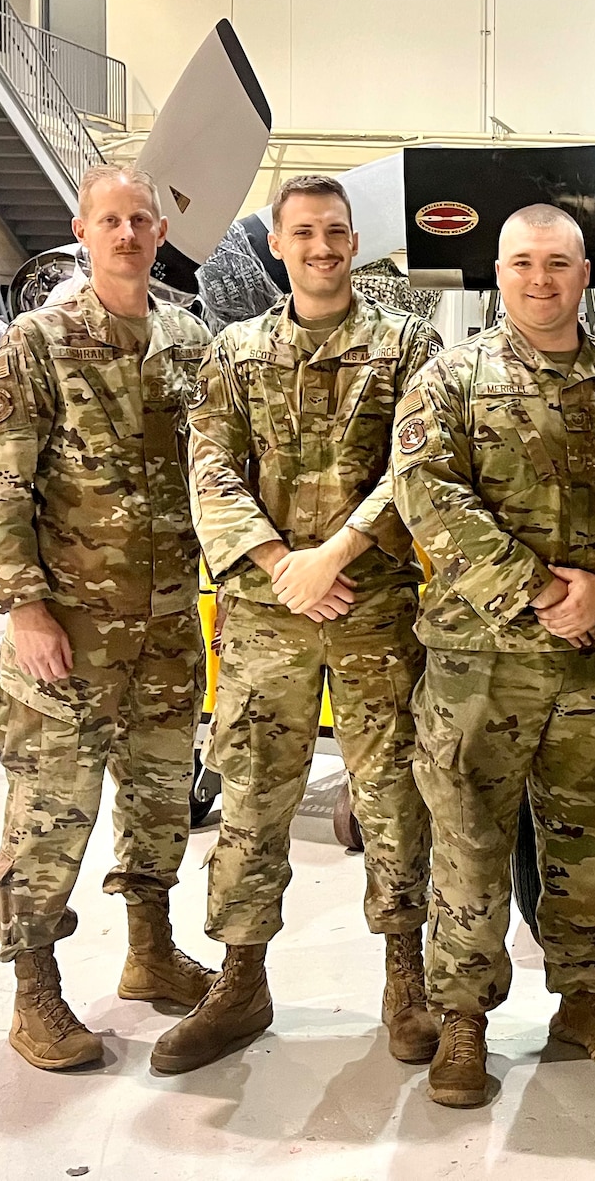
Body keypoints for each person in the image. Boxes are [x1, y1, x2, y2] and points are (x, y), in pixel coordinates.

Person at [151, 174, 442, 1074]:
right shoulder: (234, 353)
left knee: (395, 796)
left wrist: (334, 558)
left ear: (355, 242)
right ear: (277, 245)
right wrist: (284, 567)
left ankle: (405, 978)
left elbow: (419, 467)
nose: (322, 247)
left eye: (337, 231)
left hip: (373, 610)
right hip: (266, 617)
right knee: (251, 796)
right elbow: (211, 469)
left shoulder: (406, 345)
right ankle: (241, 980)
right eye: (305, 232)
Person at [391, 204, 595, 1108]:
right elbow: (428, 497)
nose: (541, 279)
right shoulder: (451, 379)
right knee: (467, 839)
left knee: (593, 834)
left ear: (585, 275)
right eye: (524, 263)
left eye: (559, 264)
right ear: (498, 274)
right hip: (479, 660)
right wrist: (538, 590)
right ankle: (462, 1019)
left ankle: (585, 997)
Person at [0, 162, 217, 1070]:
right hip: (68, 630)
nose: (125, 235)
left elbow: (217, 477)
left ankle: (149, 951)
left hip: (164, 625)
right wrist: (24, 607)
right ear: (82, 233)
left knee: (160, 801)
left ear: (160, 235)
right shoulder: (36, 343)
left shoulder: (190, 344)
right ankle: (34, 989)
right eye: (108, 220)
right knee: (49, 812)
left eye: (140, 220)